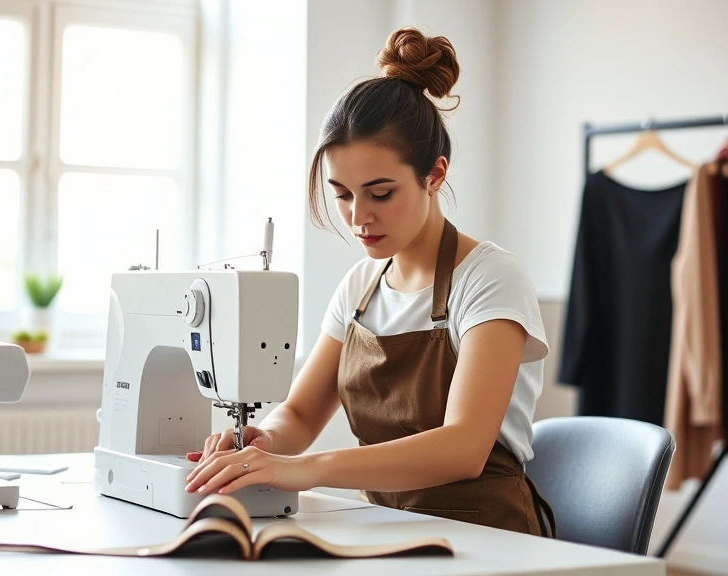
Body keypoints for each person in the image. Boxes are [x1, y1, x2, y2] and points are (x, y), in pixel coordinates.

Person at [184, 26, 554, 537]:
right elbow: (299, 413)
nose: (358, 217)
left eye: (380, 193)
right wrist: (262, 442)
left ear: (435, 175)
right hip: (388, 529)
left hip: (488, 536)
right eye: (342, 194)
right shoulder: (360, 286)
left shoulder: (490, 279)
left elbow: (465, 448)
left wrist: (305, 470)